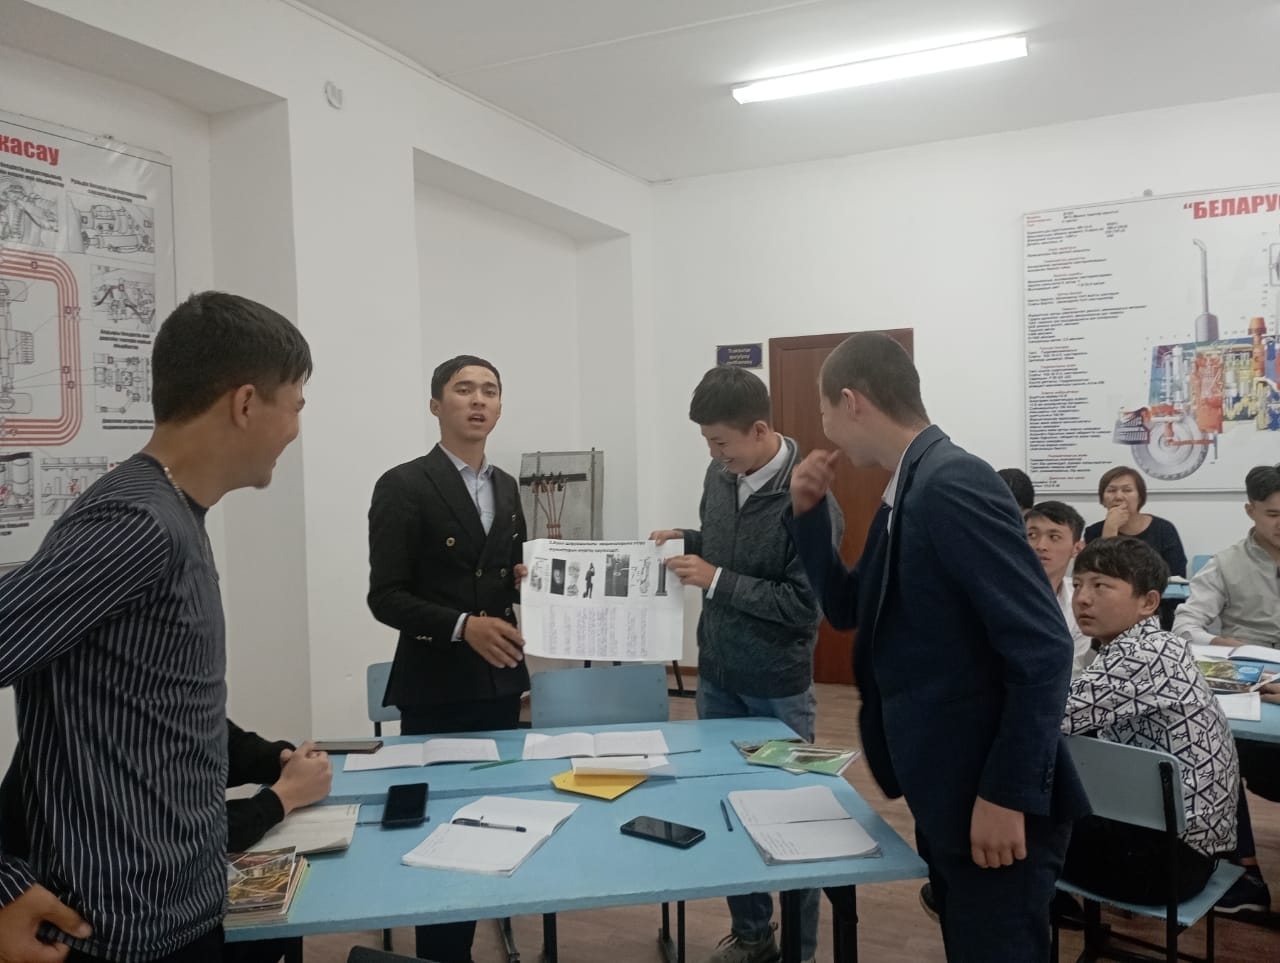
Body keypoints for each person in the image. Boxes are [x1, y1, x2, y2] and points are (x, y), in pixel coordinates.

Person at [0, 292, 311, 963]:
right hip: (119, 939)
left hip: (182, 914)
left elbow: (154, 706)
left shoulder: (173, 514)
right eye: (296, 404)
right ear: (246, 403)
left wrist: (269, 761)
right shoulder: (137, 525)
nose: (295, 427)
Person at [784, 332, 1086, 962]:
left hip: (990, 795)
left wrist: (1006, 796)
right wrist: (809, 514)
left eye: (824, 409)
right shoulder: (908, 486)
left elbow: (1044, 648)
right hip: (947, 785)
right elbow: (848, 607)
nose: (824, 426)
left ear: (851, 401)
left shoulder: (950, 481)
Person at [651, 365, 842, 963]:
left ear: (759, 430)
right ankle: (754, 936)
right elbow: (722, 543)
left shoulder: (811, 502)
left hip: (777, 689)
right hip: (717, 677)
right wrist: (687, 539)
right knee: (729, 808)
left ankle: (800, 952)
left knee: (793, 821)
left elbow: (803, 605)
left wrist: (715, 579)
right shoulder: (721, 473)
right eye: (708, 442)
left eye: (721, 442)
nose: (715, 455)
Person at [367, 354, 527, 963]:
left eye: (490, 390)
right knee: (439, 833)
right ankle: (441, 953)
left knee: (491, 822)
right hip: (435, 686)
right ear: (437, 405)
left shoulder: (507, 486)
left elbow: (501, 577)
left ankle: (482, 917)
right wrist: (463, 627)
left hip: (501, 683)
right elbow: (386, 596)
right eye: (464, 389)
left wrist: (533, 579)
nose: (478, 400)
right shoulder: (404, 485)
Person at [1061, 537, 1239, 904]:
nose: (1082, 598)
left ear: (1148, 602)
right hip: (1175, 847)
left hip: (1168, 863)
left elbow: (1049, 717)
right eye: (1077, 585)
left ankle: (1031, 910)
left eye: (1100, 586)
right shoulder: (1155, 644)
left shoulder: (1142, 654)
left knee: (1008, 822)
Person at [1172, 462, 1280, 914]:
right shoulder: (1227, 563)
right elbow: (1185, 626)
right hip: (1252, 691)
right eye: (1274, 514)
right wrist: (1226, 644)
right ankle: (1245, 872)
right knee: (1211, 746)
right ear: (1250, 511)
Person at [1025, 501, 1091, 677]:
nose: (1041, 546)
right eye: (1032, 535)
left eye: (1054, 537)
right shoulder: (997, 593)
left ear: (1077, 548)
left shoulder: (1080, 602)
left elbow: (1072, 671)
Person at [1083, 466, 1187, 577]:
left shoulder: (1164, 529)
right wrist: (1110, 530)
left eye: (1127, 490)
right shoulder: (1093, 532)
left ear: (1140, 497)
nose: (1118, 497)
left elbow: (1177, 576)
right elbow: (1097, 577)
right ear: (1102, 499)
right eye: (1111, 490)